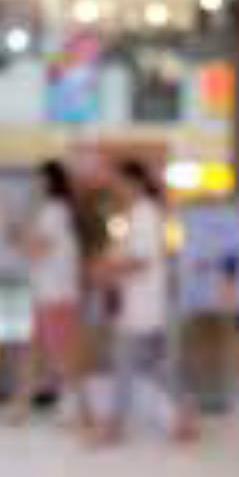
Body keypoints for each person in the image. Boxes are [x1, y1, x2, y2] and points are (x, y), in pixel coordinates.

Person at [93, 160, 197, 445]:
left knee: (128, 363)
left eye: (119, 183)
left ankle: (115, 426)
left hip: (146, 304)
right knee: (157, 367)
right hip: (144, 304)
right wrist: (111, 265)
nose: (115, 188)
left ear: (134, 183)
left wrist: (108, 269)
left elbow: (141, 260)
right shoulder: (137, 214)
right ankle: (184, 420)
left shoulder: (145, 214)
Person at [5, 161, 92, 430]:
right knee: (35, 352)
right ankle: (20, 406)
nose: (34, 186)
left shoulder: (53, 211)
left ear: (47, 182)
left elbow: (37, 250)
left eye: (38, 180)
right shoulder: (58, 211)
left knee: (61, 354)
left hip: (55, 295)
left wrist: (14, 235)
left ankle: (82, 412)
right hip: (50, 294)